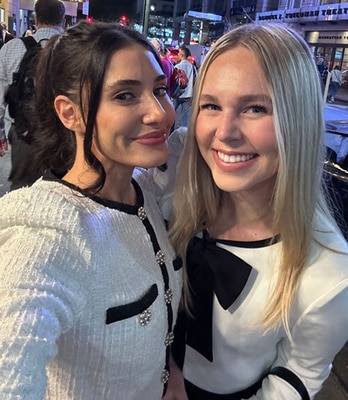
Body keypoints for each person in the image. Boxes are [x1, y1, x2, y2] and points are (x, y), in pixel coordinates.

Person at [163, 23, 348, 400]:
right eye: (211, 105)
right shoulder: (173, 202)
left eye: (256, 108)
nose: (225, 131)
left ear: (299, 121)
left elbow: (299, 375)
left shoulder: (329, 272)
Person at [0, 20, 182, 399]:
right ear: (70, 114)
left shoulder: (141, 190)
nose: (160, 113)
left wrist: (171, 375)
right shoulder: (48, 232)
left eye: (160, 90)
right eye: (125, 96)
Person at [0, 0, 66, 189]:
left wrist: (1, 136)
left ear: (36, 19)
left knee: (22, 191)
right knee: (60, 191)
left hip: (23, 135)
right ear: (62, 21)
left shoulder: (12, 47)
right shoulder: (74, 50)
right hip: (62, 137)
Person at [173, 45, 197, 129]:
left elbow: (173, 82)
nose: (178, 55)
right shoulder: (193, 68)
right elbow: (195, 82)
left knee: (171, 114)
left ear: (182, 55)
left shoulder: (177, 67)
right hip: (188, 95)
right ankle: (182, 136)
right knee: (185, 119)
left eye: (179, 53)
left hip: (177, 95)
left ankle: (171, 132)